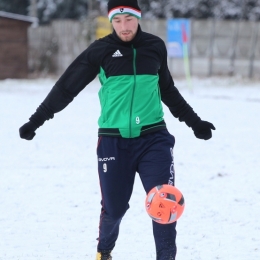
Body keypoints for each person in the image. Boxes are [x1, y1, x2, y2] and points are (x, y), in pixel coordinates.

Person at [19, 0, 215, 259]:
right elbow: (67, 88)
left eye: (129, 19)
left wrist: (194, 121)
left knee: (164, 202)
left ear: (139, 17)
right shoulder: (100, 51)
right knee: (114, 208)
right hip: (113, 141)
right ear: (111, 21)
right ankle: (104, 251)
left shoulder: (154, 47)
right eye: (118, 21)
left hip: (153, 138)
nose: (124, 26)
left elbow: (167, 89)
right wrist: (37, 120)